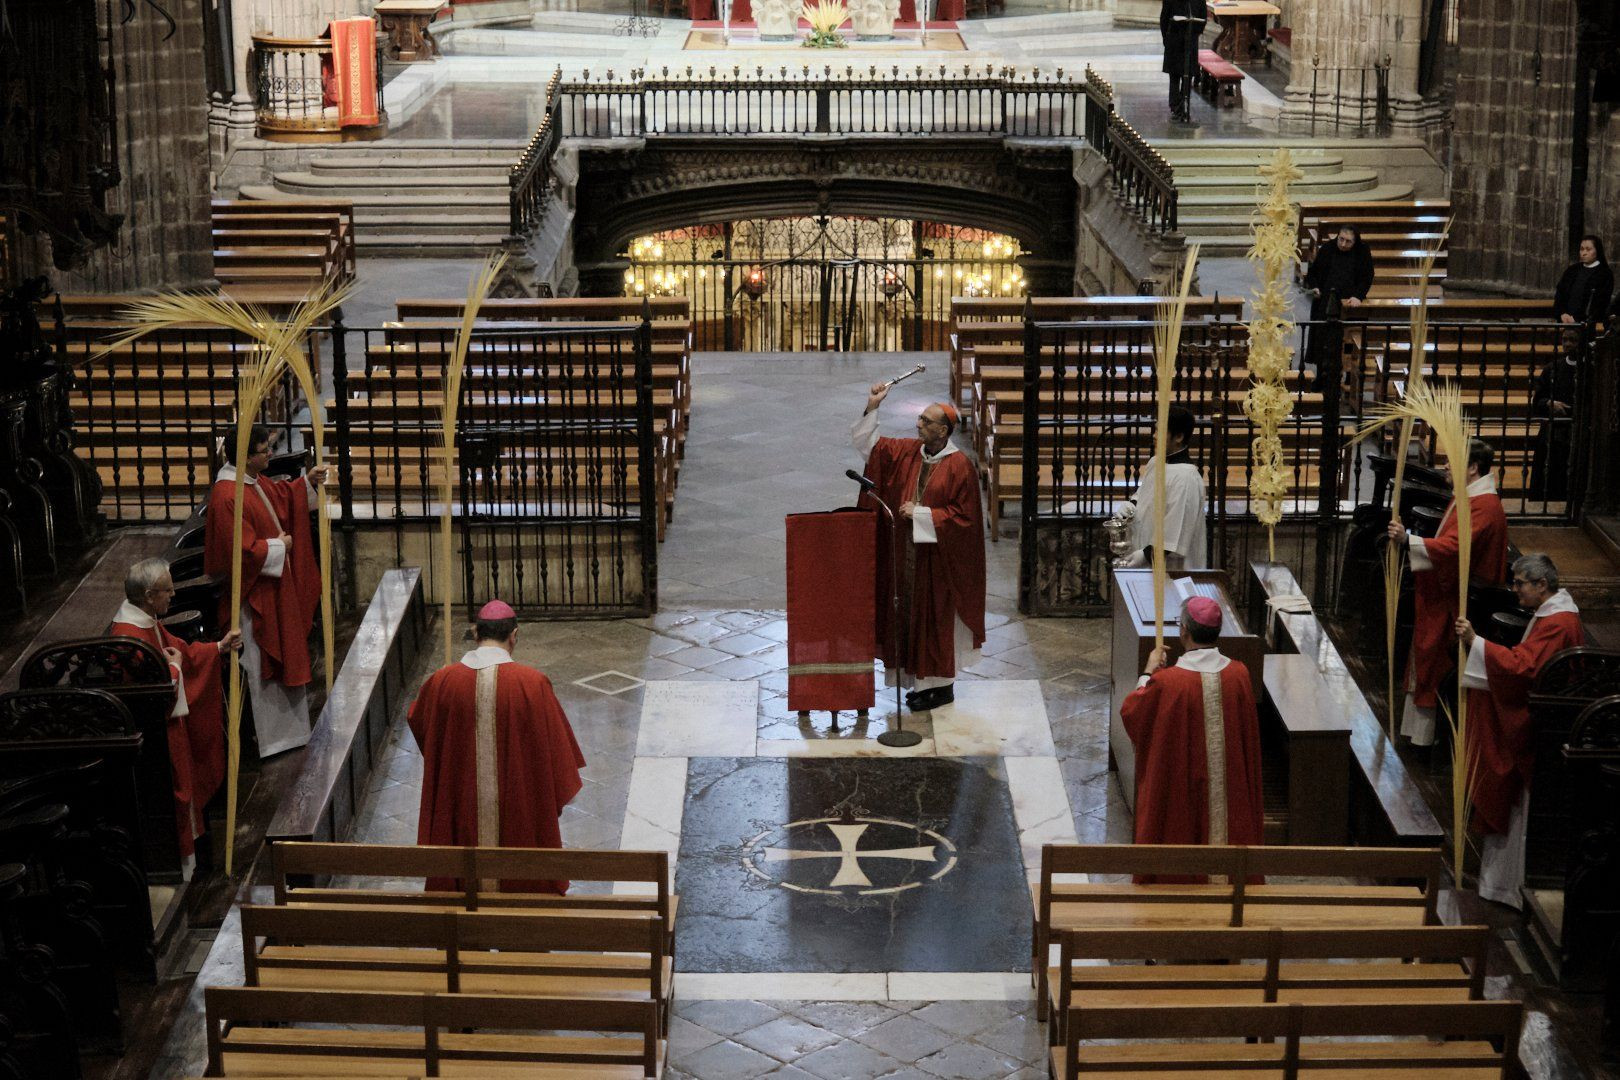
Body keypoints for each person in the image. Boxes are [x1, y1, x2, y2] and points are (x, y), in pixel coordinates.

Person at [408, 601, 586, 894]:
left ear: (476, 632)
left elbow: (421, 725)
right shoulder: (534, 685)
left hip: (459, 811)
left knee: (462, 910)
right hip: (521, 822)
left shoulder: (442, 682)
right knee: (522, 908)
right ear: (514, 635)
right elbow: (559, 764)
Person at [1454, 554, 1584, 909]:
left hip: (1541, 727)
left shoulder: (1558, 622)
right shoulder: (1552, 614)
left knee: (1518, 807)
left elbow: (1525, 667)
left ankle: (1506, 888)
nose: (1514, 590)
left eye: (1520, 583)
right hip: (1544, 719)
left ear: (1542, 585)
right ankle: (1497, 884)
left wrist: (1475, 642)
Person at [853, 384, 987, 713]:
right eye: (919, 419)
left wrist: (923, 514)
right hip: (908, 559)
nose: (918, 425)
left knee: (936, 622)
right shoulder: (909, 452)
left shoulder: (960, 467)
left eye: (926, 421)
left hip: (939, 565)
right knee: (909, 619)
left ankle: (940, 689)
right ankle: (920, 685)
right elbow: (871, 448)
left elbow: (965, 521)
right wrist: (873, 406)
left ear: (943, 430)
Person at [203, 424, 328, 757]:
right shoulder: (228, 495)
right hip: (254, 596)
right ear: (245, 457)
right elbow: (240, 553)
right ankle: (274, 740)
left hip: (274, 588)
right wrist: (279, 545)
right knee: (263, 665)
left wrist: (306, 483)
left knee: (284, 654)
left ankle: (292, 733)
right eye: (264, 450)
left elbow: (280, 496)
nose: (270, 453)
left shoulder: (250, 483)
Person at [1119, 596, 1264, 880]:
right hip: (1228, 790)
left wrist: (1149, 671)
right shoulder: (1239, 674)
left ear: (1183, 631)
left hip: (1180, 792)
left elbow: (1133, 713)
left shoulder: (1169, 682)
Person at [111, 557, 240, 870]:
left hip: (171, 733)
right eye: (167, 591)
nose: (173, 596)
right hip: (155, 740)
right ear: (149, 595)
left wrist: (218, 648)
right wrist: (175, 667)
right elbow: (155, 692)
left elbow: (181, 651)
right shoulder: (127, 639)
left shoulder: (147, 621)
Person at [1386, 438, 1510, 747]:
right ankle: (1416, 736)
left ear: (1472, 468)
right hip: (1446, 590)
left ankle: (1426, 741)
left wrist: (1409, 540)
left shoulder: (1484, 505)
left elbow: (1455, 548)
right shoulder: (1470, 498)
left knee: (1435, 664)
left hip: (1460, 600)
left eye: (1452, 460)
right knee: (1425, 659)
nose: (1445, 465)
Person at [1121, 405, 1207, 570]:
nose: (1154, 436)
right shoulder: (1156, 462)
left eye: (1160, 432)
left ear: (1179, 436)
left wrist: (1145, 555)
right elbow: (1143, 497)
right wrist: (1130, 506)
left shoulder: (1186, 478)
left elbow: (1175, 529)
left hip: (1172, 571)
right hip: (1147, 561)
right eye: (1155, 430)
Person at [1303, 225, 1376, 376]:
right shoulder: (1328, 249)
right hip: (1325, 301)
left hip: (1349, 304)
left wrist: (1358, 296)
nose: (1343, 244)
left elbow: (1367, 277)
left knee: (1348, 341)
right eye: (1341, 239)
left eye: (1348, 241)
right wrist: (1315, 286)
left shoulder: (1362, 252)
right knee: (1322, 340)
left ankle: (1349, 377)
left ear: (1355, 241)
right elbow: (1313, 272)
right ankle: (1321, 377)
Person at [1529, 345, 1579, 501]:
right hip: (1553, 428)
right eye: (1565, 339)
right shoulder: (1552, 368)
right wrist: (1549, 403)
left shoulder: (1589, 369)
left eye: (1572, 340)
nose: (1567, 343)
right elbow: (1538, 400)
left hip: (1576, 429)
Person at [1160, 0, 1207, 123]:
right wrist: (1166, 39)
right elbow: (1164, 18)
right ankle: (1175, 106)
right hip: (1175, 41)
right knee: (1174, 75)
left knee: (1188, 74)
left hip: (1190, 43)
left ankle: (1184, 105)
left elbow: (1203, 18)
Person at [1552, 235, 1613, 325]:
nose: (1584, 253)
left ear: (1597, 251)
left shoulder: (1604, 274)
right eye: (1581, 249)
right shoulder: (1572, 270)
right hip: (1565, 321)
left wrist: (1577, 318)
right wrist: (1562, 313)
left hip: (1589, 324)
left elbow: (1601, 302)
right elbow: (1560, 293)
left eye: (1588, 249)